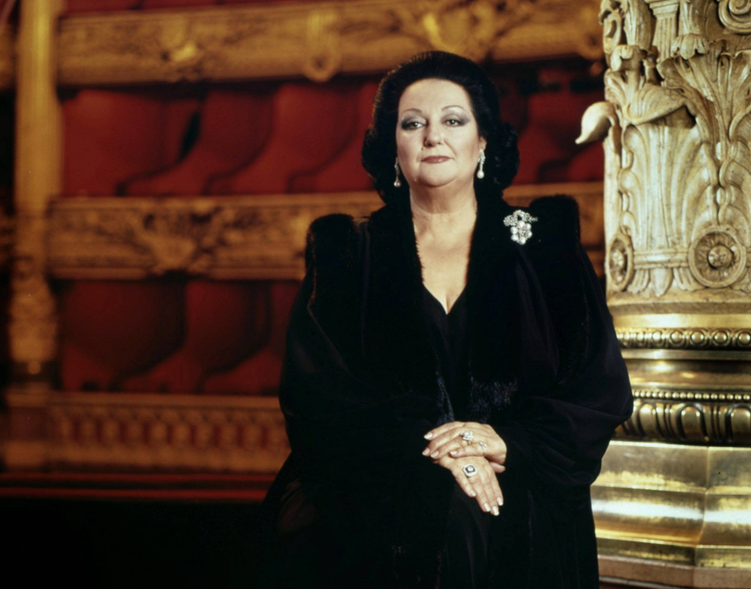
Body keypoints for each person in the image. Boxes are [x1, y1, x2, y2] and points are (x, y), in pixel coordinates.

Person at [260, 51, 633, 589]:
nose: (433, 136)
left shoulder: (543, 245)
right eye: (413, 124)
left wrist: (503, 443)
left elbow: (597, 388)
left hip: (521, 487)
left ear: (483, 141)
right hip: (379, 496)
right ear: (393, 146)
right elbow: (317, 398)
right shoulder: (347, 253)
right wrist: (441, 455)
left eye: (453, 120)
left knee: (485, 516)